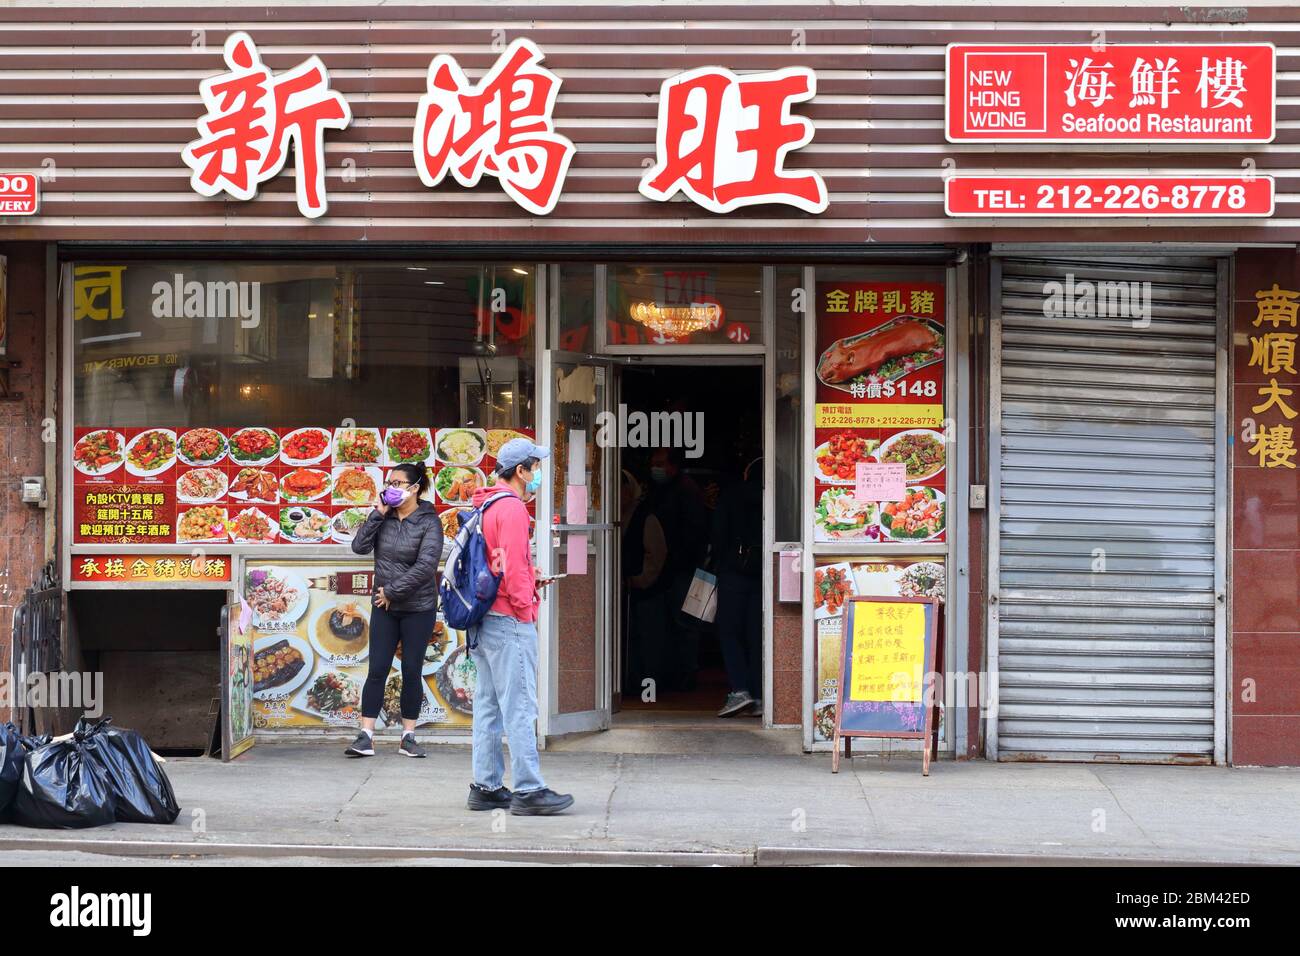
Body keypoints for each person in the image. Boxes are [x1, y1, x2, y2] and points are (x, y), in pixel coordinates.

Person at [465, 437, 573, 816]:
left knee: (489, 706)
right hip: (509, 619)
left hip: (485, 619)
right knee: (521, 705)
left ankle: (486, 786)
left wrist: (530, 575)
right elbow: (510, 568)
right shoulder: (511, 508)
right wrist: (526, 602)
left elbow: (500, 562)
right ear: (521, 471)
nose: (539, 473)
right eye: (535, 467)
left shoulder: (486, 503)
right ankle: (528, 789)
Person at [346, 462, 442, 758]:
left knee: (412, 670)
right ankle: (366, 735)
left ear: (415, 488)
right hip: (384, 607)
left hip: (418, 607)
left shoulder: (429, 521)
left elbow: (427, 566)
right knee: (377, 669)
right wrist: (378, 513)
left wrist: (392, 591)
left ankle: (408, 737)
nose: (392, 487)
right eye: (389, 482)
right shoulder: (384, 518)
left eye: (398, 483)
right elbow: (359, 547)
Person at [646, 446, 710, 691]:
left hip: (681, 568)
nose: (656, 468)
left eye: (660, 463)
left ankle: (686, 674)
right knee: (675, 623)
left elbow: (693, 532)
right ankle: (677, 673)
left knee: (685, 623)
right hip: (669, 568)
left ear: (673, 466)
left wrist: (676, 562)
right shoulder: (665, 490)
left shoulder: (685, 491)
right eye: (654, 463)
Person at [711, 456, 763, 717]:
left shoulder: (732, 495)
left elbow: (718, 533)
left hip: (734, 572)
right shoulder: (776, 495)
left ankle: (740, 690)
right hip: (764, 573)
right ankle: (759, 694)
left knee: (730, 632)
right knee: (757, 635)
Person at [621, 468, 669, 697]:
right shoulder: (617, 515)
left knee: (649, 642)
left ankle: (648, 691)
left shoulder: (645, 517)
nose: (619, 493)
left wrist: (641, 580)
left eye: (622, 488)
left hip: (645, 591)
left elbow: (657, 554)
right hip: (626, 591)